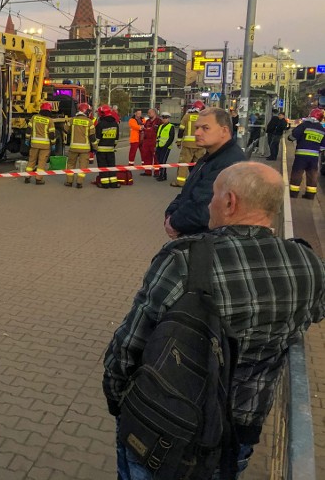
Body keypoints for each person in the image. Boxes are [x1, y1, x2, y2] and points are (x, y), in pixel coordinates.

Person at [104, 163, 325, 480]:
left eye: (213, 196)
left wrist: (118, 400)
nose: (208, 203)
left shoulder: (186, 258)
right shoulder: (309, 265)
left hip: (164, 425)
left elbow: (128, 346)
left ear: (230, 202)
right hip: (238, 433)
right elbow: (315, 312)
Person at [165, 107, 245, 238]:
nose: (197, 133)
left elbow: (204, 208)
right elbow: (187, 193)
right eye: (197, 128)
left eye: (205, 128)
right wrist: (170, 212)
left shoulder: (229, 163)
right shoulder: (209, 157)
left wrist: (173, 223)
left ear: (224, 131)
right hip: (198, 238)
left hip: (207, 242)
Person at [287, 108, 325, 199]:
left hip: (301, 155)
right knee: (312, 175)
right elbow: (323, 146)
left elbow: (293, 136)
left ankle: (293, 193)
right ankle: (310, 195)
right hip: (314, 156)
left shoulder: (304, 125)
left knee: (297, 173)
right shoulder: (322, 129)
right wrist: (316, 151)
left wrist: (290, 138)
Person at [173, 100, 206, 187]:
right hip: (200, 145)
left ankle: (180, 182)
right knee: (199, 164)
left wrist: (179, 141)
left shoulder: (187, 117)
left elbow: (181, 130)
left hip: (188, 145)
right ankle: (197, 182)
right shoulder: (203, 118)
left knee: (183, 163)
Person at [63, 102, 96, 189]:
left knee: (70, 164)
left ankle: (69, 182)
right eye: (88, 111)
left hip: (73, 147)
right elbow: (92, 137)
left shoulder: (72, 120)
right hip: (85, 149)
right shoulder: (89, 122)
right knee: (83, 166)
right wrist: (95, 147)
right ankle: (79, 183)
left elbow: (65, 130)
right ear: (85, 111)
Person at [24, 103, 56, 185]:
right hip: (45, 146)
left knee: (31, 161)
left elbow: (28, 129)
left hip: (34, 144)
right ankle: (38, 179)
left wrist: (27, 139)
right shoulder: (50, 120)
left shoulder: (34, 118)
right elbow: (52, 134)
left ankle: (27, 177)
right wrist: (53, 144)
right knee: (41, 162)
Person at [95, 104, 120, 188]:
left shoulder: (100, 124)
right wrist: (112, 145)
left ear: (102, 114)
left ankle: (105, 184)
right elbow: (116, 139)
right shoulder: (115, 124)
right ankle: (113, 183)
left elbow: (97, 139)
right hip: (111, 149)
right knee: (111, 166)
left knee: (103, 167)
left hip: (101, 150)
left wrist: (94, 148)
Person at [153, 111, 176, 182]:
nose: (164, 119)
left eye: (165, 118)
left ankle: (162, 175)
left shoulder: (171, 126)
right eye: (163, 118)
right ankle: (163, 174)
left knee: (163, 161)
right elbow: (158, 137)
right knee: (160, 161)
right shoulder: (160, 126)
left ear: (168, 119)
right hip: (159, 146)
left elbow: (171, 138)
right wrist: (156, 146)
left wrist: (166, 146)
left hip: (166, 147)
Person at [139, 108, 160, 176]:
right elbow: (143, 130)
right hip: (146, 141)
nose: (148, 114)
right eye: (148, 113)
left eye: (150, 112)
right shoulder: (147, 121)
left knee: (156, 157)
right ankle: (147, 171)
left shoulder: (159, 121)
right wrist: (141, 141)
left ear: (154, 113)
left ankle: (157, 172)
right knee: (146, 157)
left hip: (154, 141)